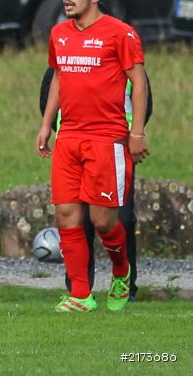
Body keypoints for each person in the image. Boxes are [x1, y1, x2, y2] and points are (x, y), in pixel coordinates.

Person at [36, 0, 148, 313]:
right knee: (67, 216)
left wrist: (137, 132)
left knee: (103, 222)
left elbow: (139, 83)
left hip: (107, 139)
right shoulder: (58, 33)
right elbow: (57, 79)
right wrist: (46, 125)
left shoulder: (121, 34)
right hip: (69, 136)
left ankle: (120, 270)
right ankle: (81, 295)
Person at [39, 66, 151, 301]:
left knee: (120, 219)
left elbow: (144, 102)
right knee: (74, 218)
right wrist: (53, 130)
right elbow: (47, 99)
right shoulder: (64, 56)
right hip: (70, 148)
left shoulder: (122, 57)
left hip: (114, 147)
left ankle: (126, 286)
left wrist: (134, 135)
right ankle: (79, 291)